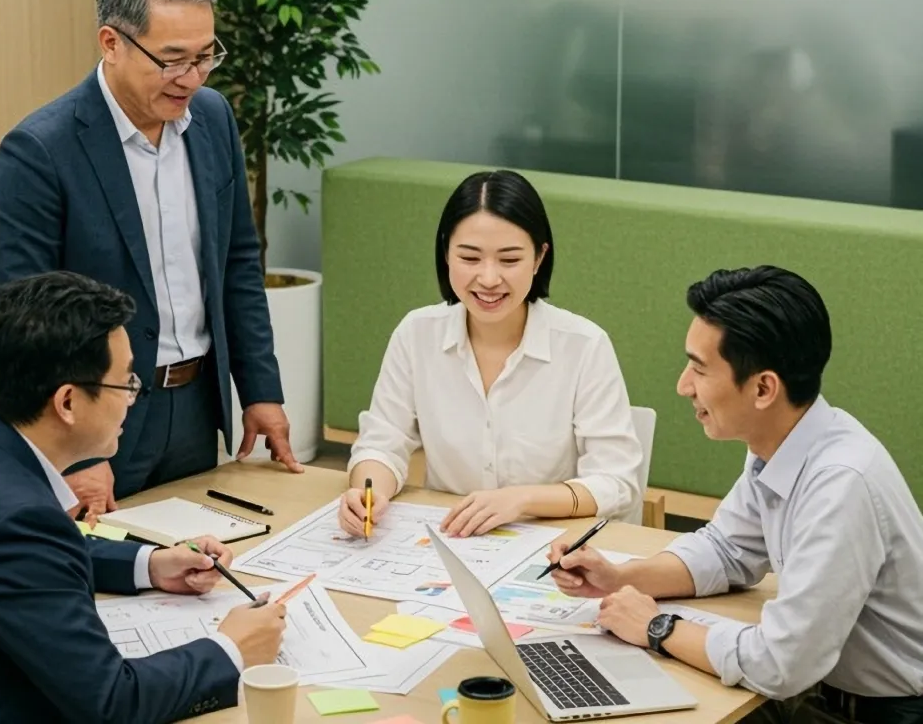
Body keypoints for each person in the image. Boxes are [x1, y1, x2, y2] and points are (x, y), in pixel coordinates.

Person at [0, 272, 287, 722]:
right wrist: (230, 649)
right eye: (126, 382)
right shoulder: (18, 520)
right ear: (67, 402)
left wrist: (149, 564)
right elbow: (112, 703)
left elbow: (34, 562)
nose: (133, 397)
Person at [0, 0, 303, 525]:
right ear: (111, 42)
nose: (193, 77)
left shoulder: (211, 119)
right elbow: (24, 325)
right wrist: (75, 452)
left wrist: (260, 390)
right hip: (102, 418)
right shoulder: (41, 151)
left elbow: (236, 262)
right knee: (106, 584)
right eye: (173, 60)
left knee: (197, 574)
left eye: (206, 57)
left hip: (197, 401)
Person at [548, 266, 923, 724]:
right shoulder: (784, 442)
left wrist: (656, 627)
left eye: (699, 369)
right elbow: (727, 549)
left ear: (763, 387)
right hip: (820, 695)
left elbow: (781, 664)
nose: (683, 386)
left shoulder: (841, 484)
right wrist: (620, 577)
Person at [338, 169, 643, 538]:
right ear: (446, 253)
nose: (488, 279)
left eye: (509, 260)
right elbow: (382, 444)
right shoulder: (416, 333)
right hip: (451, 539)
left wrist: (521, 500)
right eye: (469, 258)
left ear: (539, 257)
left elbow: (617, 483)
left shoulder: (584, 346)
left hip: (551, 546)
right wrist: (367, 492)